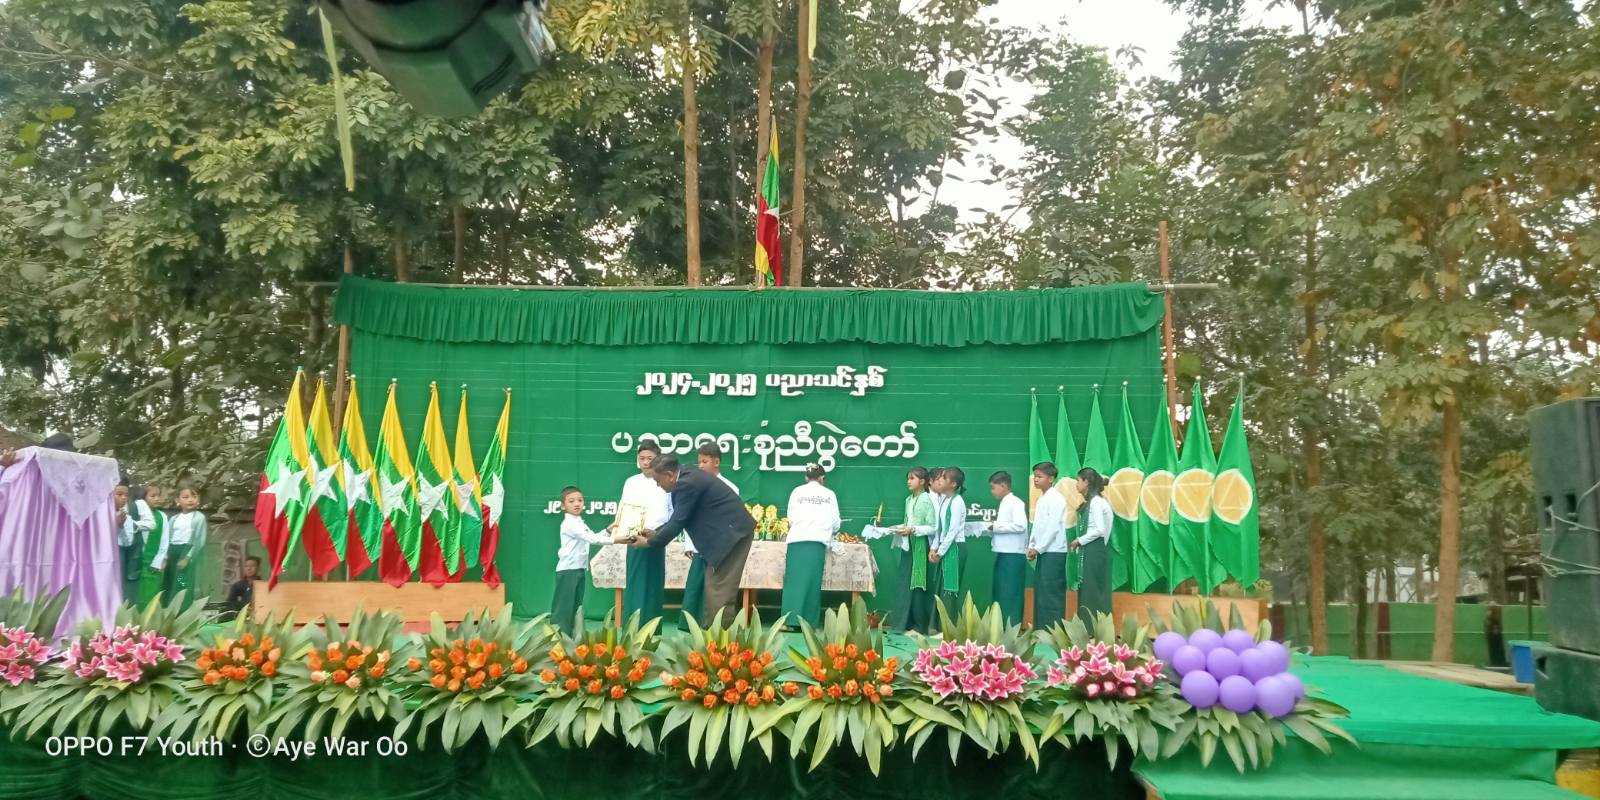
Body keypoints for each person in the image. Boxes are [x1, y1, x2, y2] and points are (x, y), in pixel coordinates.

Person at [635, 455, 755, 627]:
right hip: (727, 535)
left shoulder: (686, 484)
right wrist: (656, 533)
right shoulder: (687, 476)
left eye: (658, 480)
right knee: (714, 589)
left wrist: (649, 543)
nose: (657, 485)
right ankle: (715, 636)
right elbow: (679, 518)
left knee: (719, 591)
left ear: (669, 475)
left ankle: (722, 640)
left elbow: (678, 522)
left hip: (732, 536)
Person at [684, 442, 740, 627]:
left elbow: (731, 521)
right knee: (696, 589)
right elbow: (689, 517)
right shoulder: (693, 486)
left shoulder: (731, 487)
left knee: (714, 590)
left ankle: (713, 626)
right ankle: (691, 627)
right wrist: (689, 544)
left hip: (718, 549)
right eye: (699, 462)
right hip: (698, 546)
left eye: (705, 461)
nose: (700, 466)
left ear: (716, 462)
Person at [617, 441, 672, 622]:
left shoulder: (666, 480)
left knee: (654, 583)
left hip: (657, 536)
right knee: (635, 582)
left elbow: (672, 511)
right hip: (634, 536)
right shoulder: (631, 482)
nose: (646, 462)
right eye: (642, 458)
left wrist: (661, 532)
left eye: (650, 458)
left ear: (659, 459)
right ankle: (633, 625)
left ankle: (652, 626)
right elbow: (624, 508)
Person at [780, 463, 840, 628]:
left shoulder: (797, 492)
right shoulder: (829, 494)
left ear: (806, 477)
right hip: (817, 543)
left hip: (796, 542)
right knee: (812, 583)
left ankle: (789, 621)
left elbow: (791, 518)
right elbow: (835, 522)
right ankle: (808, 623)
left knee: (793, 582)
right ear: (822, 478)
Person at [552, 486, 613, 635]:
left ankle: (571, 638)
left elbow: (593, 537)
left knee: (575, 607)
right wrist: (616, 539)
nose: (577, 504)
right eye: (571, 501)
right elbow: (592, 539)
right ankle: (558, 638)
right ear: (563, 506)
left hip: (578, 569)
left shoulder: (579, 522)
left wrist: (608, 531)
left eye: (580, 500)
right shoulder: (569, 524)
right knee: (564, 608)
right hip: (568, 571)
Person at [889, 467, 937, 633]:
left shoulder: (926, 500)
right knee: (905, 583)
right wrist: (899, 528)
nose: (908, 481)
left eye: (912, 478)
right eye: (908, 478)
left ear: (922, 482)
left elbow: (932, 527)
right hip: (908, 545)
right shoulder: (908, 499)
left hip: (920, 546)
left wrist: (914, 529)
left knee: (918, 585)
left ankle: (919, 625)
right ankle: (905, 623)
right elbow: (908, 523)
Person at [1027, 462, 1069, 628]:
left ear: (1051, 479)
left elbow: (1052, 527)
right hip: (1044, 551)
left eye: (1040, 476)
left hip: (1054, 552)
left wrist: (1038, 548)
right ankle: (1041, 629)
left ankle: (1053, 631)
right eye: (1035, 476)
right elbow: (1038, 526)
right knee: (1042, 592)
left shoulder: (1056, 498)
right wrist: (1032, 545)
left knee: (1052, 593)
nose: (1036, 479)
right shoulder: (1042, 498)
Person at [1070, 467, 1114, 622]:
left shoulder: (1095, 502)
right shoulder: (1094, 501)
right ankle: (1090, 627)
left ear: (1086, 482)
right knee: (1090, 589)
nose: (1076, 484)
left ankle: (1093, 628)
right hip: (1094, 550)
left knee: (1093, 591)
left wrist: (1079, 540)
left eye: (1078, 480)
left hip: (1095, 550)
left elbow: (1099, 530)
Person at [986, 471, 1028, 626]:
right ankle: (1001, 626)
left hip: (1013, 555)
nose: (992, 492)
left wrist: (996, 526)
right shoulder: (1005, 502)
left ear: (1003, 486)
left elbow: (1020, 526)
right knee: (1002, 591)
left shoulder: (1015, 503)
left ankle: (1012, 626)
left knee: (1011, 592)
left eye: (993, 487)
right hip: (1004, 553)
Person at [155, 485, 207, 599]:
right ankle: (167, 607)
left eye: (194, 496)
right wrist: (165, 558)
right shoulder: (173, 519)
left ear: (198, 499)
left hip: (186, 551)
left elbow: (199, 540)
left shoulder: (199, 518)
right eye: (186, 497)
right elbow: (167, 539)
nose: (190, 500)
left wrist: (187, 558)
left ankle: (182, 607)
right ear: (177, 500)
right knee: (169, 581)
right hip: (172, 551)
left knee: (182, 582)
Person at [929, 466, 967, 612]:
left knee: (949, 590)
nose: (939, 480)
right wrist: (934, 548)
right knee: (940, 588)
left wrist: (940, 552)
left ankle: (948, 624)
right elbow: (940, 528)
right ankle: (938, 623)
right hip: (944, 548)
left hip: (955, 548)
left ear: (953, 484)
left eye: (943, 478)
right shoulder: (945, 499)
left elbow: (952, 531)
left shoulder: (957, 501)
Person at [132, 484, 167, 604]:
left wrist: (159, 561)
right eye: (153, 496)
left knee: (151, 594)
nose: (157, 498)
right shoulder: (136, 515)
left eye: (158, 495)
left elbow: (164, 541)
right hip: (137, 562)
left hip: (153, 564)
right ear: (143, 498)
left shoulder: (162, 516)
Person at [114, 479, 143, 605]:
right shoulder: (101, 514)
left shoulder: (126, 514)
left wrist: (121, 526)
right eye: (119, 494)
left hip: (123, 556)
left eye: (126, 495)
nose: (124, 498)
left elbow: (127, 541)